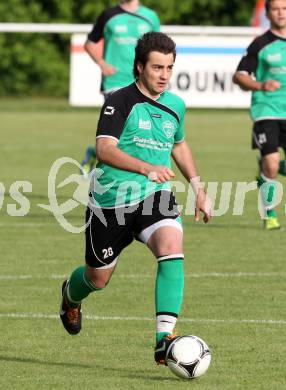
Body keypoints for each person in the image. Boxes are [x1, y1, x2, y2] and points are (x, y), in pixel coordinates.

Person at [60, 31, 212, 366]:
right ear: (140, 66)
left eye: (169, 68)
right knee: (97, 277)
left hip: (154, 195)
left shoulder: (175, 106)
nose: (164, 75)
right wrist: (146, 167)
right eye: (157, 67)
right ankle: (70, 297)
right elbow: (104, 149)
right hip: (111, 201)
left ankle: (164, 339)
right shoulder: (119, 100)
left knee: (172, 245)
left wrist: (198, 188)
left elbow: (179, 144)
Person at [81, 0, 160, 177]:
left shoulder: (150, 17)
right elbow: (90, 43)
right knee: (120, 129)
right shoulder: (109, 15)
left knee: (138, 129)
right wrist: (102, 63)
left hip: (141, 80)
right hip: (114, 80)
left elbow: (157, 49)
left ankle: (96, 154)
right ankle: (107, 168)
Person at [233, 0, 286, 230]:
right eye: (275, 9)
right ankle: (270, 214)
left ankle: (264, 171)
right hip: (267, 111)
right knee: (273, 165)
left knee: (269, 167)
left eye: (285, 8)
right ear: (267, 13)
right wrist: (261, 85)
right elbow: (240, 76)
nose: (281, 13)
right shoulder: (260, 44)